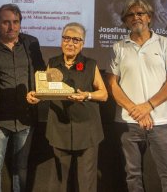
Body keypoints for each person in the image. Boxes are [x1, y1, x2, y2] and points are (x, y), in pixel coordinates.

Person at [106, 0, 167, 191]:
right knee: (132, 177)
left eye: (140, 13)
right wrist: (135, 110)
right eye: (130, 15)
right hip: (128, 123)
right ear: (125, 21)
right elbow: (112, 84)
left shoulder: (165, 44)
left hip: (162, 123)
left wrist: (147, 107)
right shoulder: (118, 48)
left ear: (149, 18)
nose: (136, 17)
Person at [0, 4, 45, 192]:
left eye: (15, 22)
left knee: (21, 167)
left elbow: (41, 75)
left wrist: (39, 94)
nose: (11, 27)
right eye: (6, 22)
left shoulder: (31, 43)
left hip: (26, 118)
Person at [27, 22, 108, 192]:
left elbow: (104, 94)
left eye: (76, 40)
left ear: (82, 44)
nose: (70, 43)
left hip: (87, 131)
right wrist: (36, 96)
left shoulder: (90, 65)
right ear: (61, 40)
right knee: (60, 180)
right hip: (59, 129)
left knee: (87, 182)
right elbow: (46, 90)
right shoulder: (53, 63)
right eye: (67, 38)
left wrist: (87, 95)